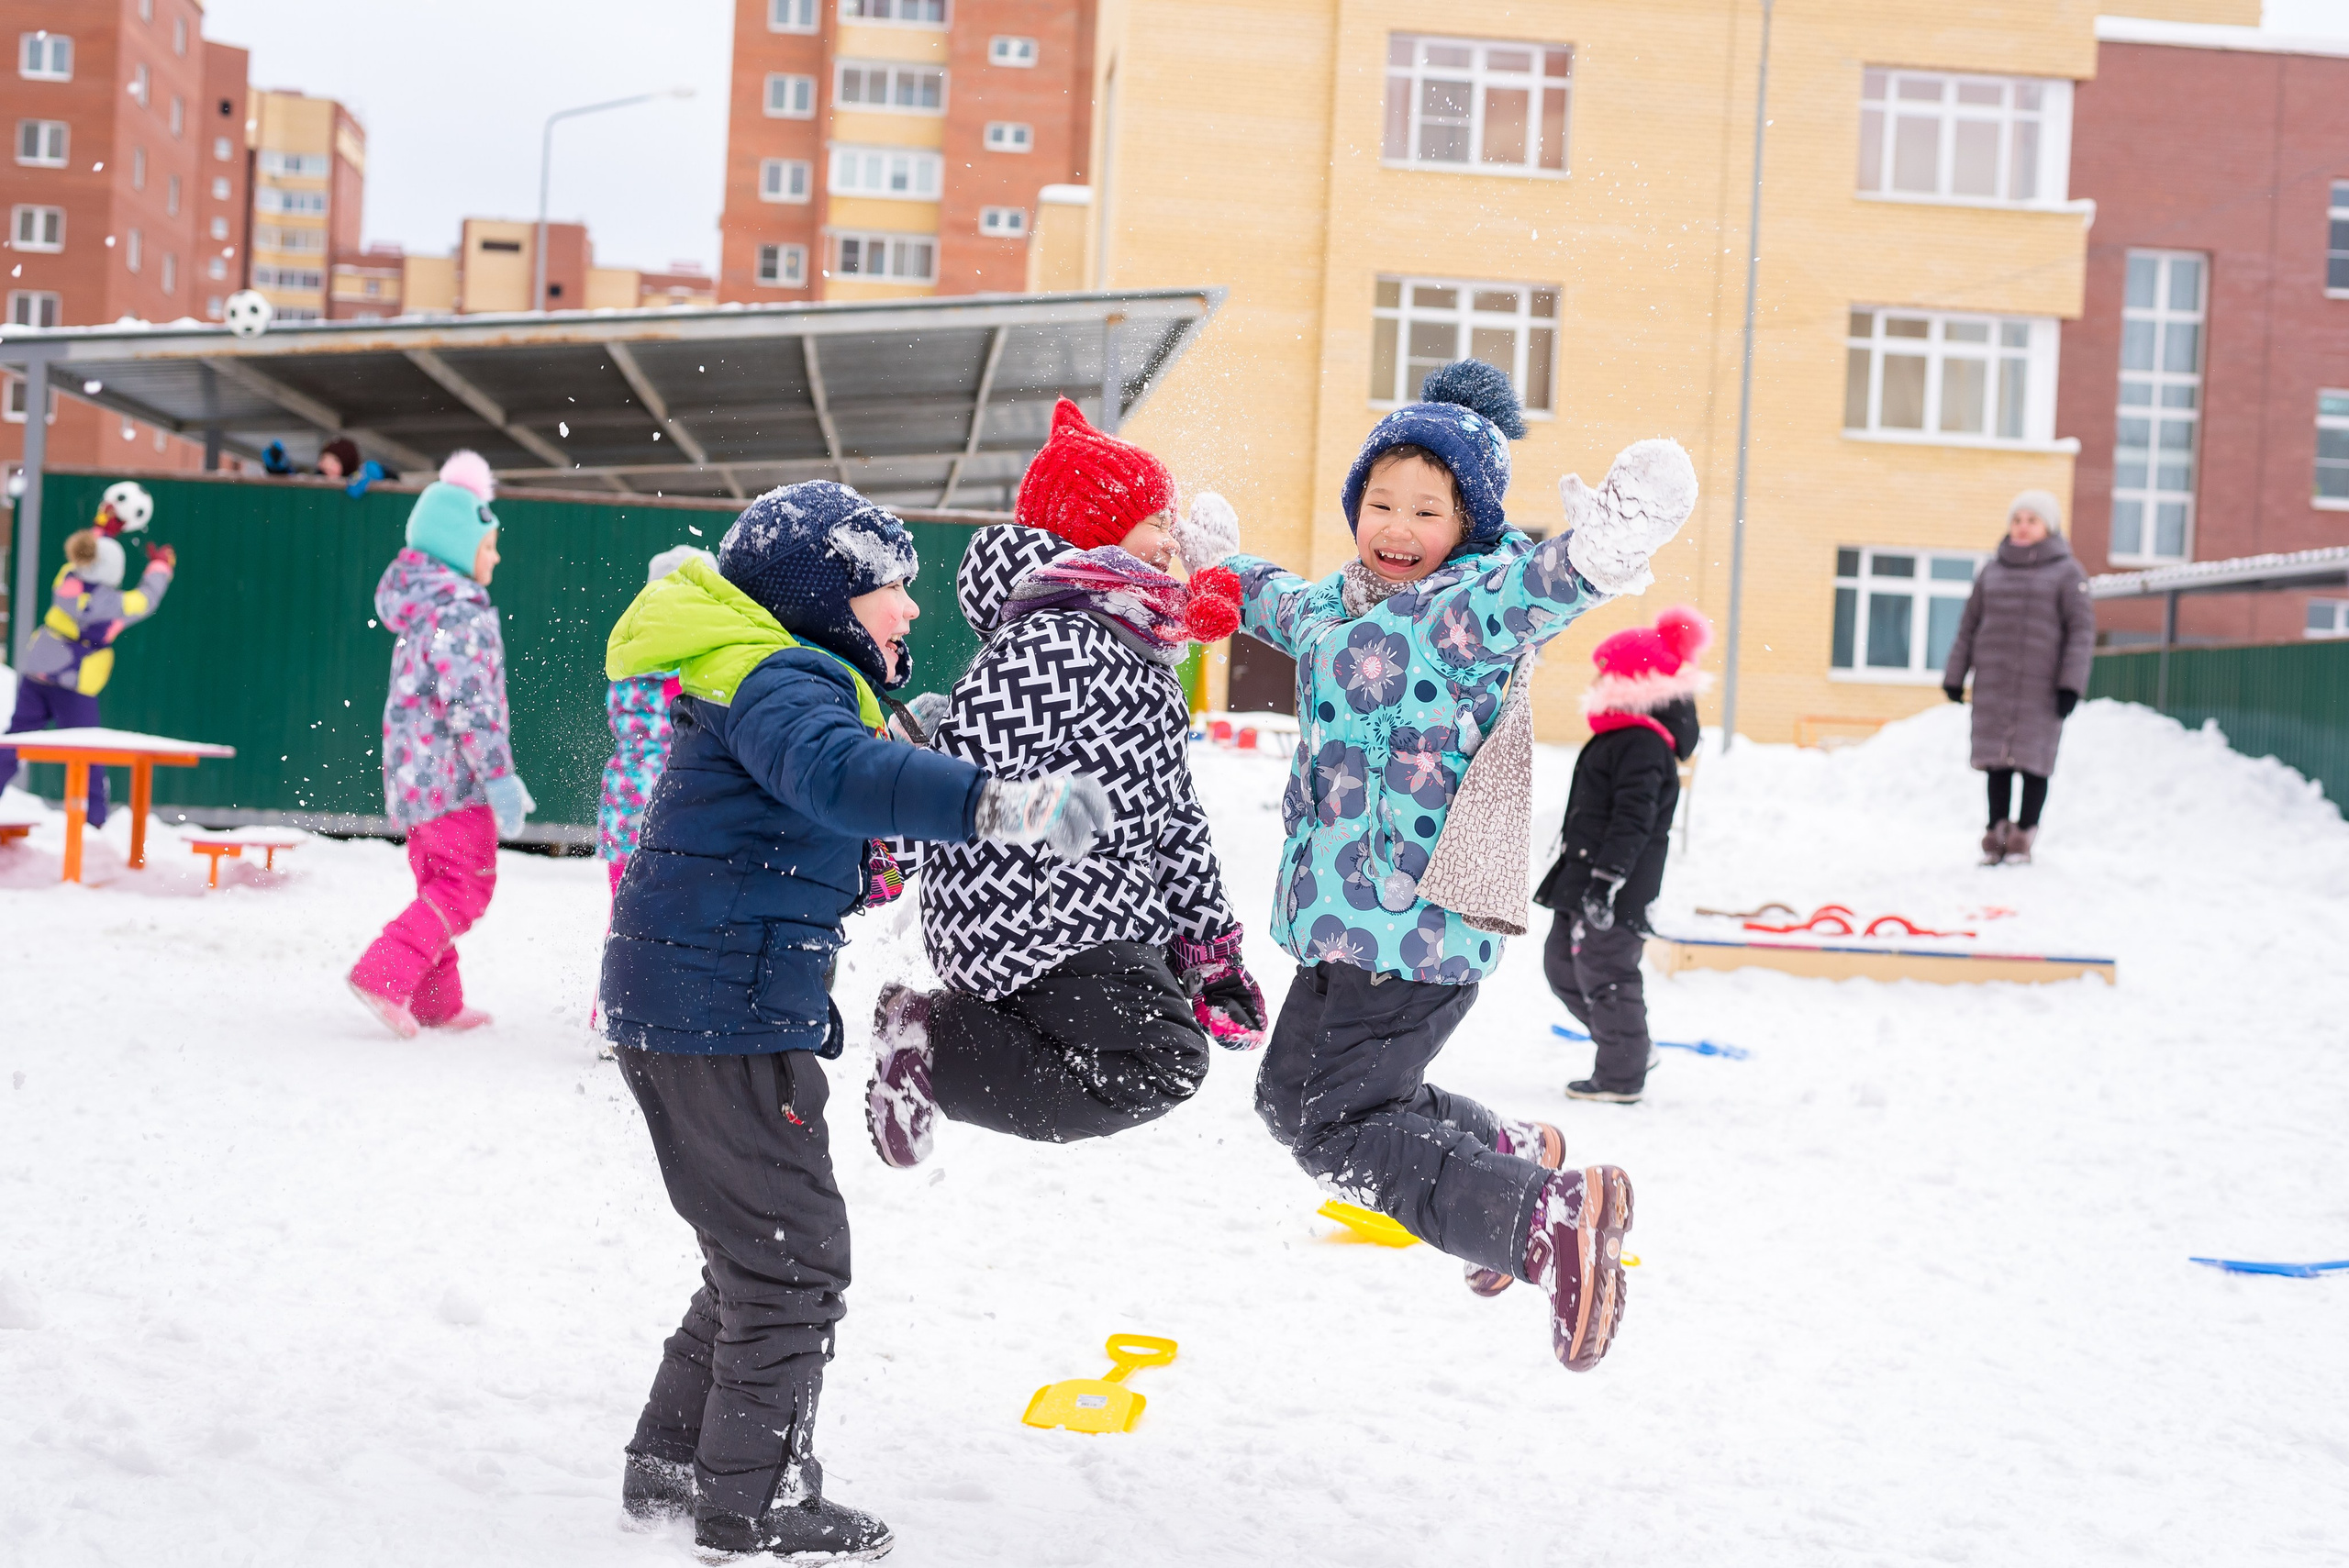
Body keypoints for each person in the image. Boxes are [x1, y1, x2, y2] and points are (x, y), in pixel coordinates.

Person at [597, 481, 1112, 1562]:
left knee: (752, 1248)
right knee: (793, 1259)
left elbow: (812, 799)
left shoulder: (760, 668)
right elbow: (837, 775)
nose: (909, 611)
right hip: (720, 1006)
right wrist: (998, 804)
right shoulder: (787, 675)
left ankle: (678, 1458)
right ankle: (754, 1500)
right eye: (890, 589)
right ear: (827, 597)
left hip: (692, 995)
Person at [1223, 359, 1697, 1373]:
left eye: (1425, 509)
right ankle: (1509, 1157)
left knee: (1331, 1122)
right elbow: (1265, 600)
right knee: (1296, 1104)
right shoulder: (1334, 609)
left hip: (1413, 925)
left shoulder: (1464, 608)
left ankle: (1543, 1220)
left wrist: (1607, 544)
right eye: (1379, 501)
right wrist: (1211, 563)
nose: (1396, 525)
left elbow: (1544, 584)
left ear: (1466, 524)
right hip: (1337, 923)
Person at [865, 398, 1260, 1169]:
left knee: (1162, 1055)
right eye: (1155, 520)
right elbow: (971, 763)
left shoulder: (1136, 656)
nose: (1171, 541)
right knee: (1164, 1058)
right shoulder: (1054, 641)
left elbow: (1173, 819)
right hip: (1030, 906)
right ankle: (930, 1045)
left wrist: (1208, 948)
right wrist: (885, 848)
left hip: (1094, 911)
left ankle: (935, 1046)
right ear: (1093, 527)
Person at [347, 450, 537, 1038]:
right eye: (489, 545)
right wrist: (500, 777)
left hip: (414, 778)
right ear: (460, 548)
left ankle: (436, 1001)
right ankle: (384, 973)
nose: (497, 556)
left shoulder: (422, 609)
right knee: (465, 887)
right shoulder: (461, 612)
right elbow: (470, 707)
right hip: (455, 781)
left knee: (438, 886)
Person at [1535, 606, 1709, 1106]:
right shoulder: (1619, 739)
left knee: (1606, 974)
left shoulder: (1641, 745)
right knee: (1562, 968)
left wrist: (1606, 879)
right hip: (1584, 874)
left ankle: (1622, 1072)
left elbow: (1632, 821)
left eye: (1606, 673)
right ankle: (1631, 1046)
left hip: (1612, 882)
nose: (1596, 681)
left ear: (1632, 681)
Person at [0, 484, 174, 828]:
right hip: (76, 683)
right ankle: (94, 821)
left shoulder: (67, 581)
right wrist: (160, 567)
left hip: (39, 672)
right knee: (87, 753)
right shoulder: (116, 606)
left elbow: (82, 556)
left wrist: (102, 528)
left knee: (14, 743)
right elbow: (147, 599)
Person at [1942, 489, 2094, 866]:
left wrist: (2070, 685)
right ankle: (1995, 834)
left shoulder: (2068, 573)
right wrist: (1954, 675)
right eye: (2017, 520)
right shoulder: (1991, 571)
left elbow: (2081, 633)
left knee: (2034, 762)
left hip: (2041, 688)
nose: (2023, 527)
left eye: (2032, 520)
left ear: (2048, 527)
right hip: (1994, 684)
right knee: (1996, 762)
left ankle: (2023, 838)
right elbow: (1969, 627)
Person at [598, 546, 711, 898]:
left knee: (625, 910)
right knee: (673, 912)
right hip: (676, 807)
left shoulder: (627, 663)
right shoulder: (696, 675)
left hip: (625, 801)